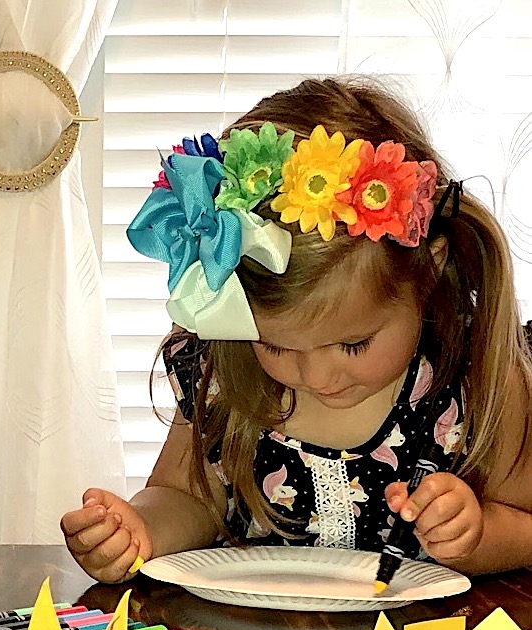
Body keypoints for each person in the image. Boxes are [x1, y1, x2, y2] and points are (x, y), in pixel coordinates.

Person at [63, 77, 532, 583]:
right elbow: (186, 496)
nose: (316, 374)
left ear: (428, 271)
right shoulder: (222, 375)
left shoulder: (472, 379)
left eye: (353, 344)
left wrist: (478, 535)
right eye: (277, 345)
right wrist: (139, 530)